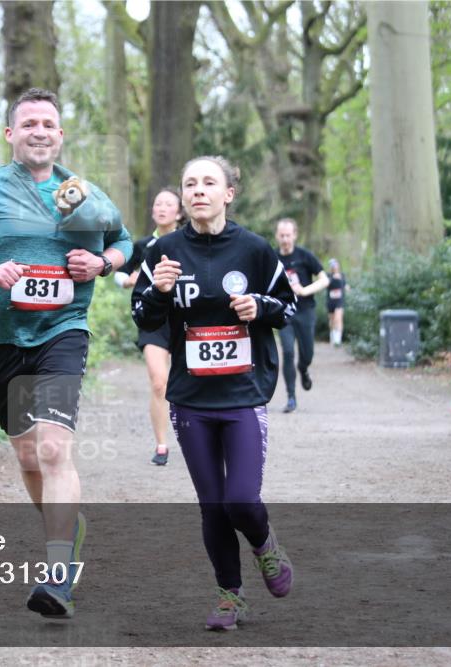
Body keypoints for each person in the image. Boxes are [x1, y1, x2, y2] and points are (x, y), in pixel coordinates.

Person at [0, 88, 131, 619]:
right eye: (29, 123)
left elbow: (125, 242)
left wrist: (102, 265)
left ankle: (58, 572)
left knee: (55, 450)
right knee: (27, 455)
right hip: (2, 340)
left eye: (49, 123)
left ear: (60, 136)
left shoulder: (80, 192)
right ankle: (68, 529)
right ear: (11, 134)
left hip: (63, 332)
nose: (40, 131)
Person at [132, 155, 295, 631]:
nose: (198, 190)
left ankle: (265, 546)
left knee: (241, 500)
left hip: (243, 393)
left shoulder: (255, 250)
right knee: (212, 504)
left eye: (209, 182)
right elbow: (142, 317)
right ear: (183, 198)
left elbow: (287, 307)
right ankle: (230, 596)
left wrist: (258, 306)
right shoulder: (162, 251)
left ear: (228, 193)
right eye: (190, 184)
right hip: (191, 399)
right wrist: (160, 292)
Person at [116, 188, 184, 466]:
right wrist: (128, 281)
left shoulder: (189, 242)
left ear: (179, 212)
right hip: (154, 319)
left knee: (190, 381)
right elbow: (120, 273)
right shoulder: (142, 246)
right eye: (158, 203)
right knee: (159, 382)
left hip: (186, 319)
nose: (162, 208)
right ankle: (161, 445)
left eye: (169, 204)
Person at [274, 218, 328, 413]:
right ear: (277, 236)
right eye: (282, 235)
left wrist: (305, 290)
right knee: (287, 352)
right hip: (284, 313)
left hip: (305, 311)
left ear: (294, 235)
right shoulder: (272, 258)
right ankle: (291, 398)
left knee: (307, 354)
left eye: (288, 235)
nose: (285, 239)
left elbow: (324, 279)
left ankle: (304, 369)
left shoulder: (305, 256)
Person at [326, 258, 347, 346]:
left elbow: (345, 285)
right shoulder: (328, 276)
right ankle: (333, 336)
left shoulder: (342, 275)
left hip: (339, 301)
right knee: (332, 320)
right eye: (332, 265)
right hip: (331, 301)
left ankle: (338, 341)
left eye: (335, 264)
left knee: (338, 319)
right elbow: (326, 285)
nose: (334, 267)